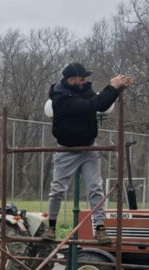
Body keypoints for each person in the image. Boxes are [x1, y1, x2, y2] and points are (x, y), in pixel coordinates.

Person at [44, 62, 134, 244]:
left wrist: (116, 90)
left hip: (88, 147)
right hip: (66, 150)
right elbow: (93, 104)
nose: (85, 81)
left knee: (95, 188)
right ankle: (51, 227)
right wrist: (112, 87)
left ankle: (100, 229)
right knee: (57, 190)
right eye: (82, 78)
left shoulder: (84, 89)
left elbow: (101, 105)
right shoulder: (61, 98)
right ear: (71, 80)